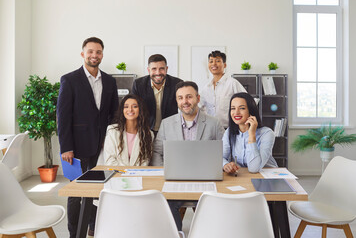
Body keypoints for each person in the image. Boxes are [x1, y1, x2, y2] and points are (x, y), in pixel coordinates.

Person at [57, 37, 118, 238]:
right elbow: (63, 116)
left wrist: (110, 140)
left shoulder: (110, 80)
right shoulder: (70, 79)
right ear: (83, 54)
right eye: (90, 51)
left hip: (100, 145)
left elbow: (113, 113)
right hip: (76, 147)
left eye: (98, 52)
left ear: (102, 54)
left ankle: (92, 226)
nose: (94, 55)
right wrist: (66, 147)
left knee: (95, 187)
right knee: (76, 192)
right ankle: (75, 233)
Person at [152, 81, 225, 231]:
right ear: (177, 101)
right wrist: (163, 171)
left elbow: (224, 152)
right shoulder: (166, 124)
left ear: (198, 98)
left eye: (189, 97)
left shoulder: (214, 124)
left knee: (211, 214)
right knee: (164, 206)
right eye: (180, 98)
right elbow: (157, 151)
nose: (185, 102)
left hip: (206, 182)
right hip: (173, 182)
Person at [223, 92, 278, 174]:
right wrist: (225, 165)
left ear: (251, 110)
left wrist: (251, 135)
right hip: (243, 176)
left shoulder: (267, 133)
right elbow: (220, 157)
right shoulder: (229, 132)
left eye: (242, 108)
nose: (236, 112)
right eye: (233, 108)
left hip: (267, 176)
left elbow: (254, 168)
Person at [132, 54, 182, 135]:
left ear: (166, 69)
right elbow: (134, 108)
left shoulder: (177, 84)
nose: (158, 73)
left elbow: (183, 107)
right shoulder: (138, 84)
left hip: (170, 130)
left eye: (161, 69)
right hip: (146, 130)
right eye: (154, 69)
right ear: (148, 70)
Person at [200, 50, 246, 128]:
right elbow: (200, 107)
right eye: (211, 61)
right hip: (211, 128)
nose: (213, 64)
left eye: (217, 61)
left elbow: (247, 102)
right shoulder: (206, 88)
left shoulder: (232, 83)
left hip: (230, 128)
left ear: (224, 65)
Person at [103, 94, 153, 166]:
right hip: (116, 174)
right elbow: (109, 161)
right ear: (122, 110)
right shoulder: (112, 131)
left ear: (140, 109)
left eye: (134, 106)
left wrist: (132, 175)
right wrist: (126, 173)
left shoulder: (148, 134)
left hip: (138, 175)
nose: (130, 110)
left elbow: (145, 162)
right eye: (126, 107)